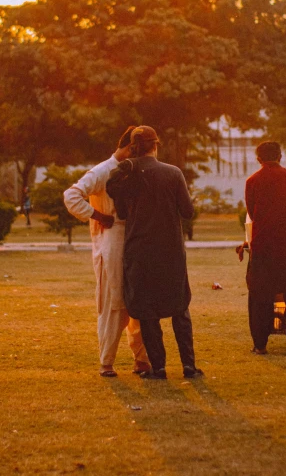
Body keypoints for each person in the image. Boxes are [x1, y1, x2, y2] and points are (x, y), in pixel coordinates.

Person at [106, 125, 203, 381]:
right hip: (170, 251)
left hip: (139, 251)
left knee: (148, 312)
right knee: (180, 308)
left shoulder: (128, 174)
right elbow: (187, 211)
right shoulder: (172, 173)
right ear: (156, 145)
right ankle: (189, 366)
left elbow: (123, 212)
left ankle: (158, 368)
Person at [63, 127, 150, 378]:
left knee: (137, 300)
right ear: (126, 147)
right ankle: (107, 361)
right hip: (111, 239)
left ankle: (141, 359)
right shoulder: (103, 170)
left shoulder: (135, 169)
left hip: (133, 239)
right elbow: (72, 195)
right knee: (113, 301)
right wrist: (97, 215)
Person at [241, 141, 286, 355]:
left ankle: (260, 343)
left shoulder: (252, 181)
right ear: (280, 156)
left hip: (263, 248)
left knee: (260, 297)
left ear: (259, 159)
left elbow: (252, 214)